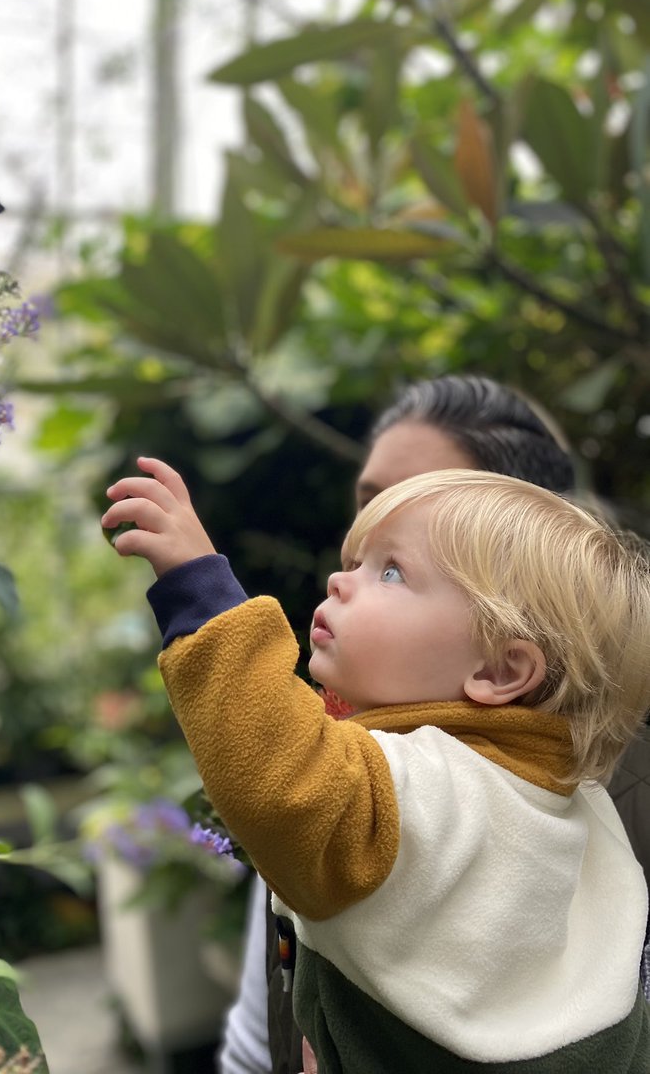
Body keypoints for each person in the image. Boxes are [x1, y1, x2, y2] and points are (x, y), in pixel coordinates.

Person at [101, 458, 650, 1072]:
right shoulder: (558, 798)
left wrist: (199, 589)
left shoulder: (424, 795)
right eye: (354, 562)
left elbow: (288, 778)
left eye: (391, 572)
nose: (341, 582)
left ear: (499, 671)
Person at [224, 373, 586, 1074]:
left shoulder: (613, 801)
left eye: (402, 551)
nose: (353, 563)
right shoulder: (327, 754)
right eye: (368, 515)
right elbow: (255, 1029)